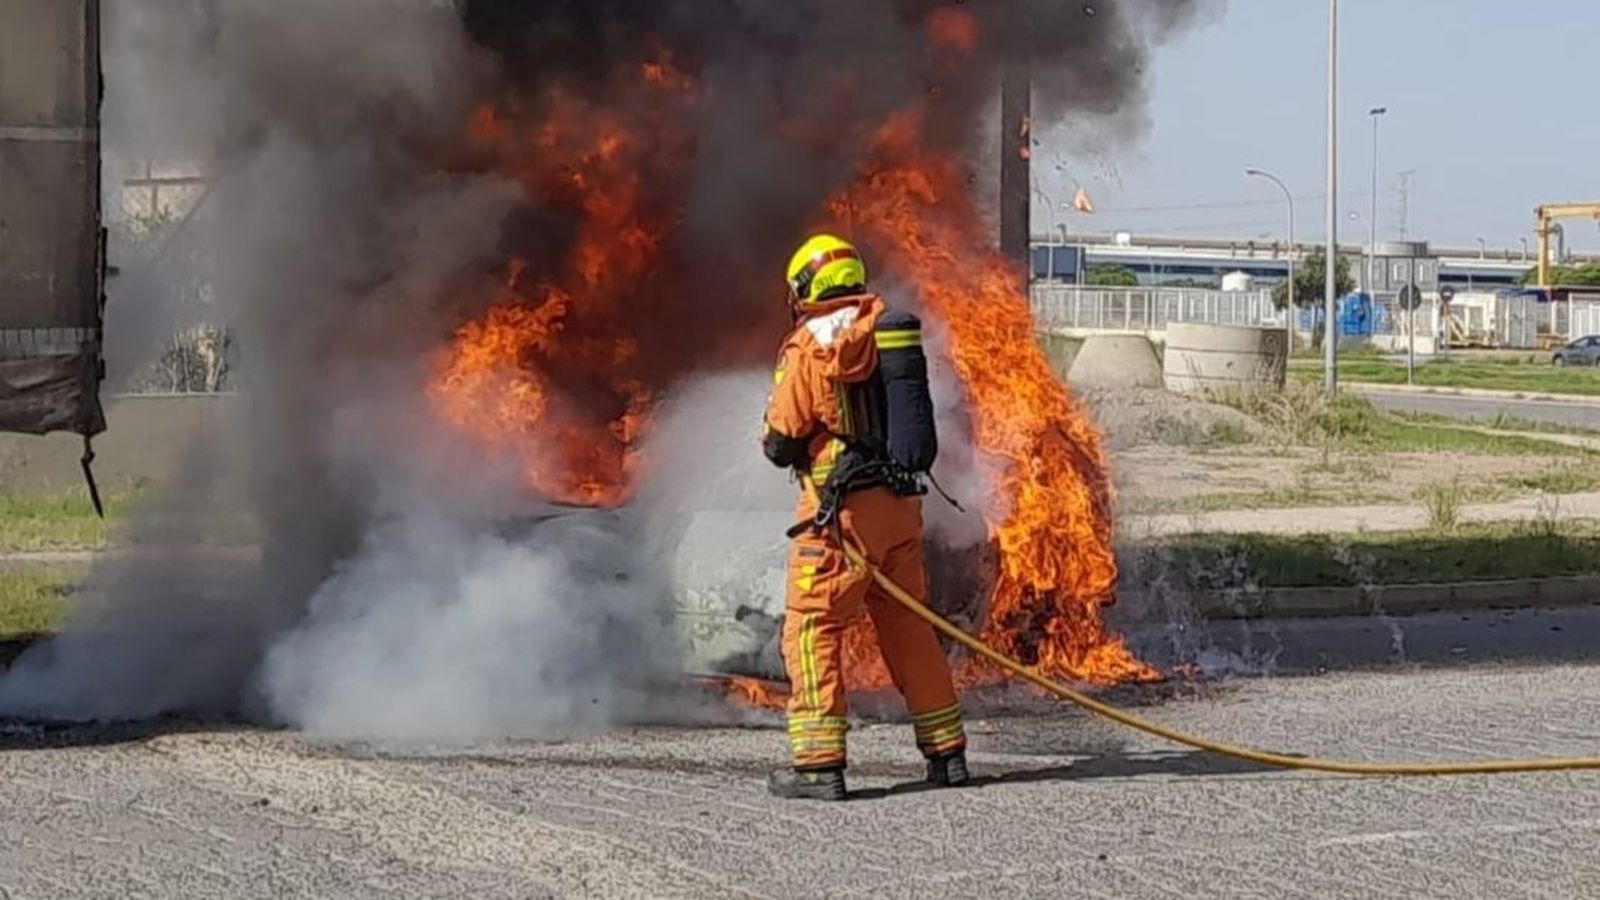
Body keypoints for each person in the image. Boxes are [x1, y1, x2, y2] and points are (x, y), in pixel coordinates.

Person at [760, 233, 969, 802]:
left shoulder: (809, 345)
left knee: (811, 626)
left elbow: (780, 440)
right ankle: (947, 753)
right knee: (908, 626)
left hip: (841, 515)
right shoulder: (887, 324)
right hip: (900, 509)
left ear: (805, 287)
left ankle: (819, 766)